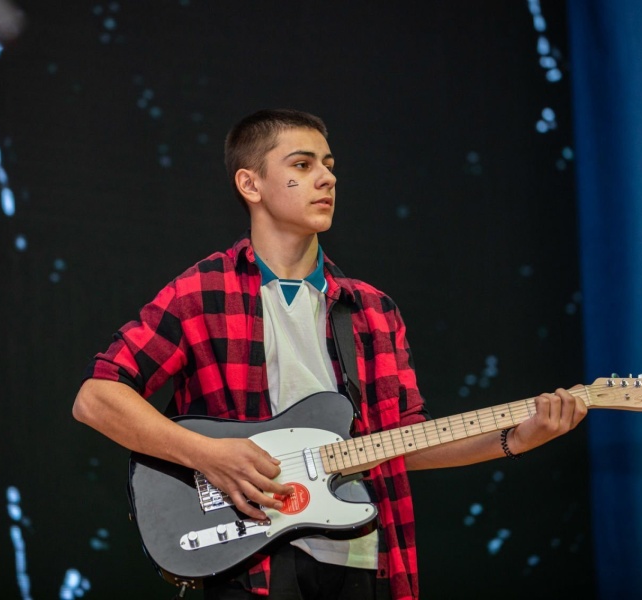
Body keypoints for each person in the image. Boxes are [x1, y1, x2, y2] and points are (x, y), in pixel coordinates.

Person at [72, 109, 587, 600]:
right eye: (302, 165)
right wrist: (208, 455)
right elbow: (96, 398)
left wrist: (515, 439)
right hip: (252, 561)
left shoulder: (374, 309)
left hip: (363, 557)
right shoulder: (202, 291)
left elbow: (404, 440)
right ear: (250, 184)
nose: (327, 178)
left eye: (329, 165)